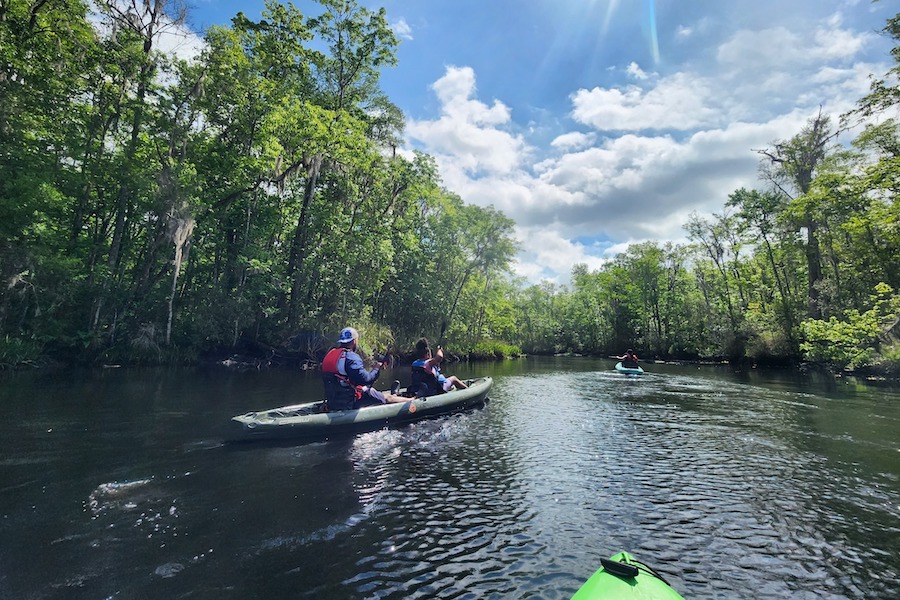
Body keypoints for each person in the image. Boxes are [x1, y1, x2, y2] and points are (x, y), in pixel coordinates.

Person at [321, 327, 407, 411]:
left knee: (371, 391)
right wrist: (376, 368)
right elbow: (366, 380)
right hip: (350, 402)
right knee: (387, 398)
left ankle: (394, 395)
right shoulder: (351, 357)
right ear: (354, 341)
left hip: (333, 401)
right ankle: (411, 400)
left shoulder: (330, 354)